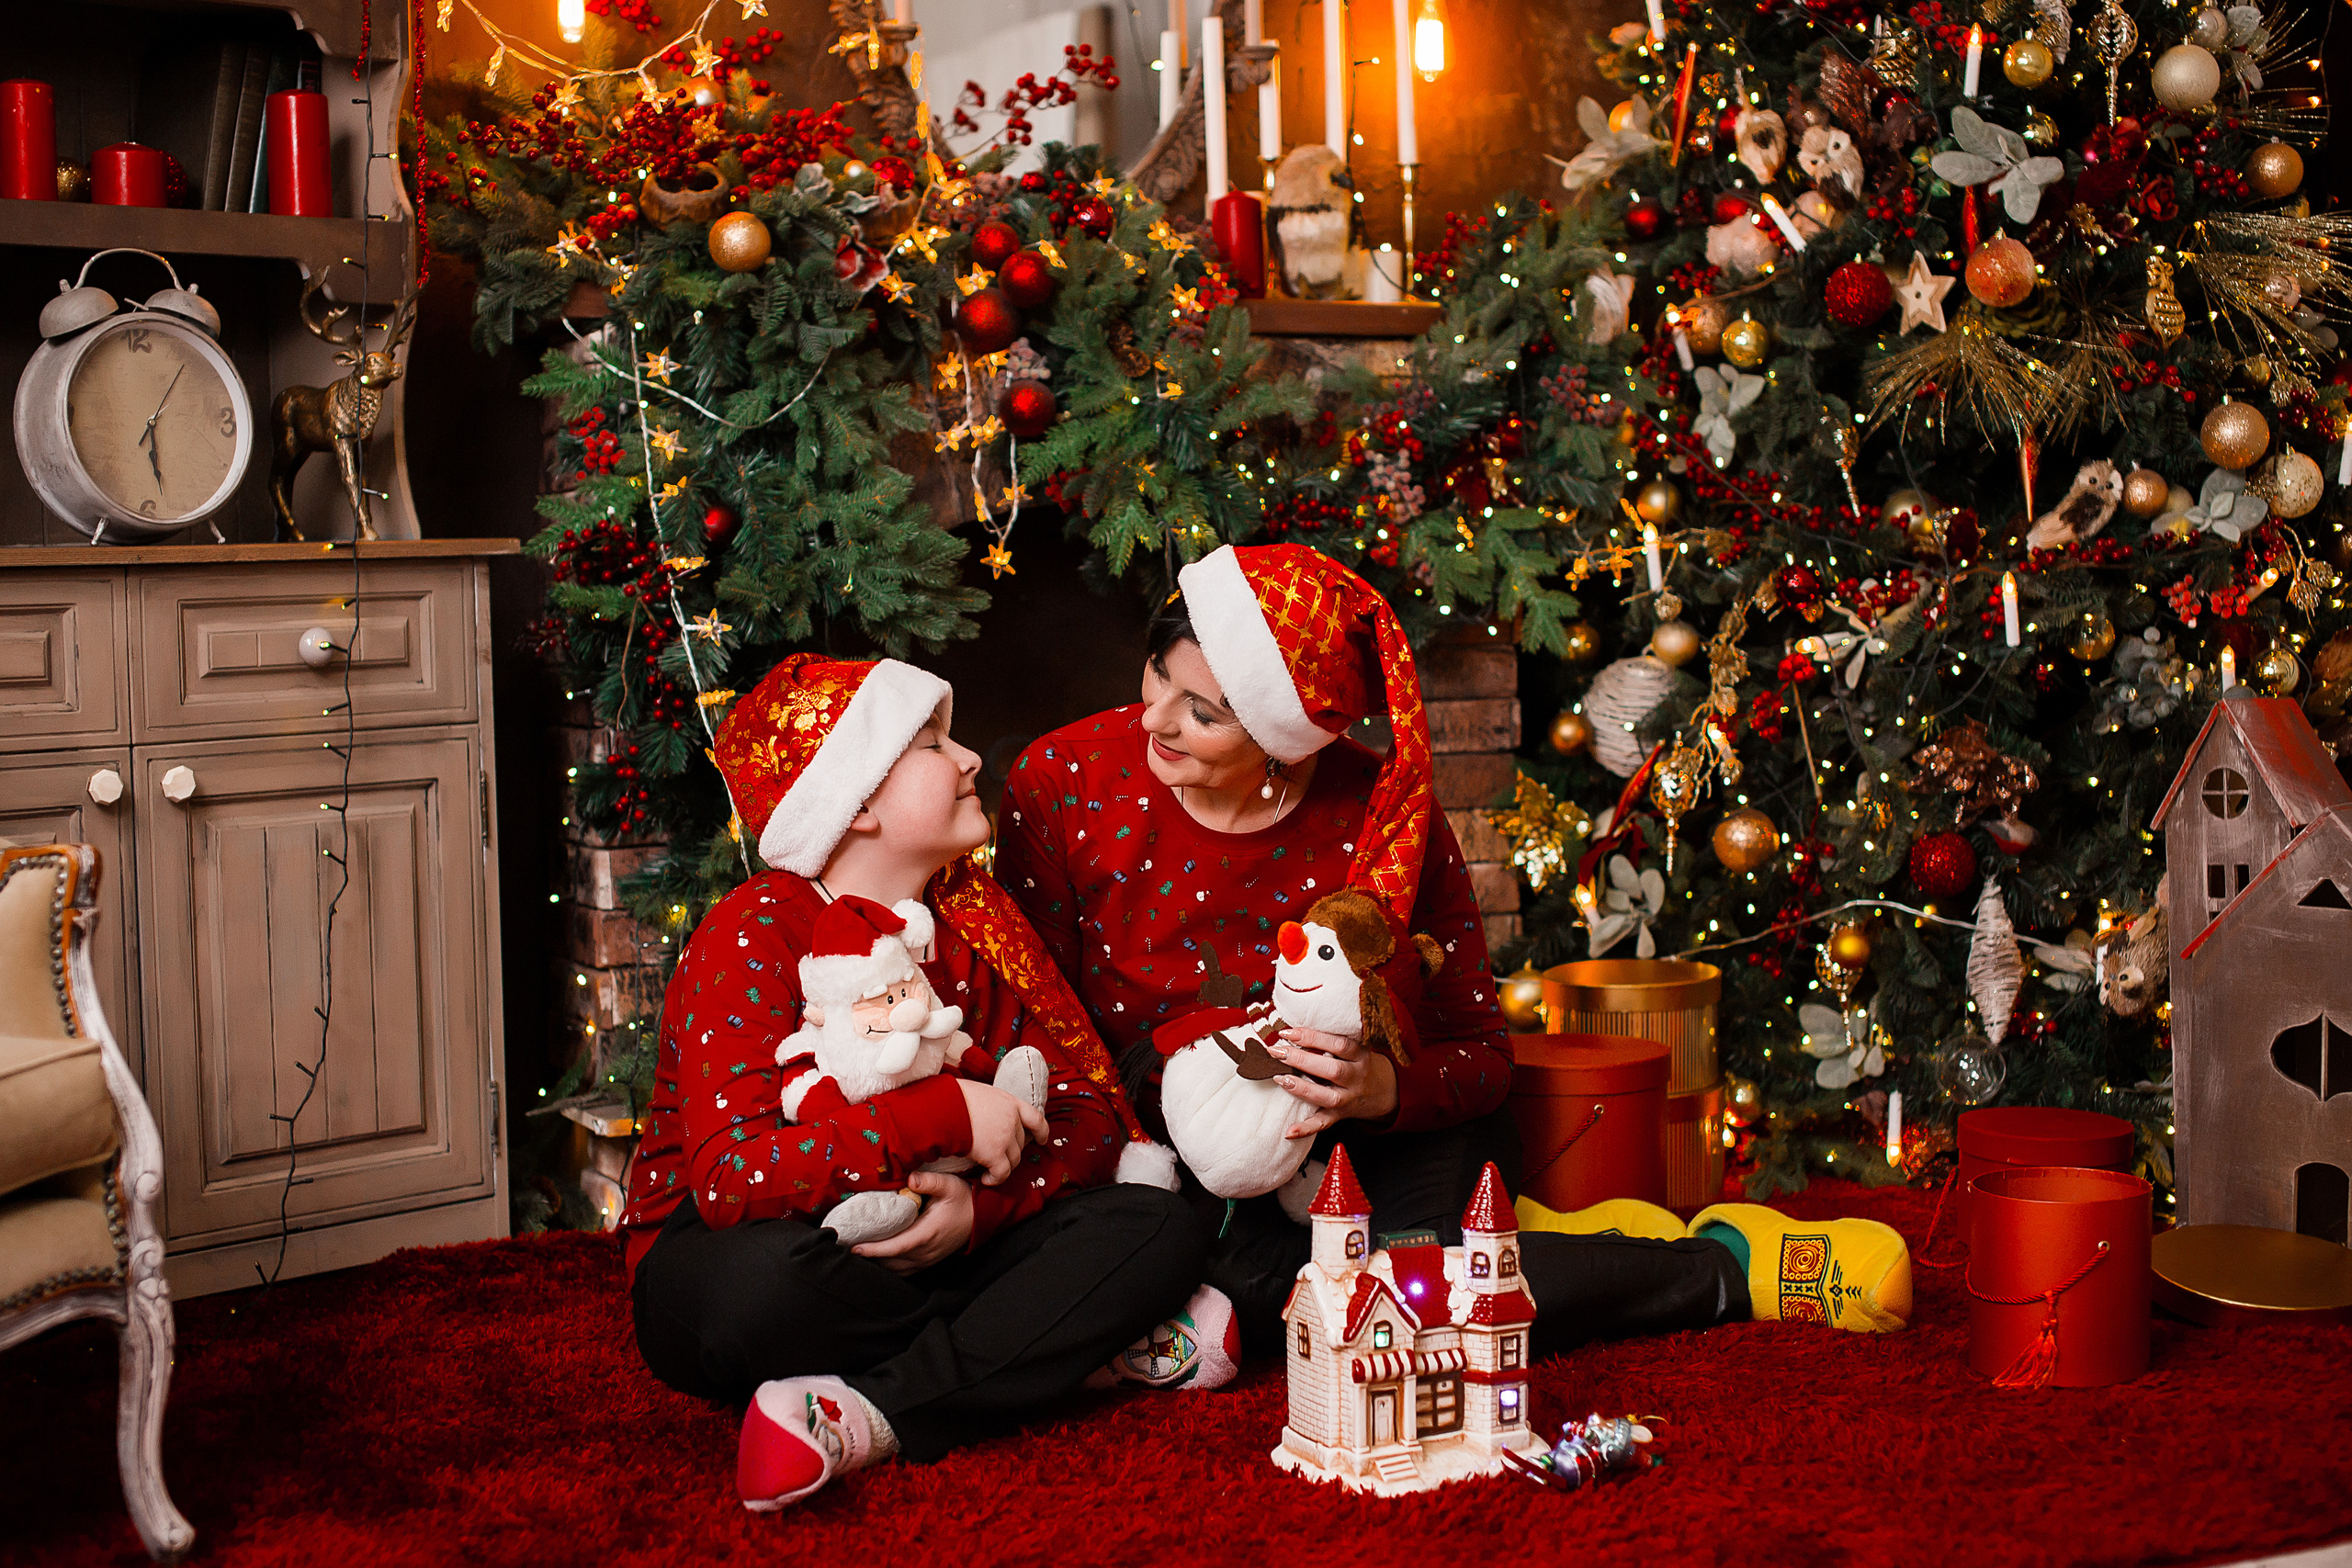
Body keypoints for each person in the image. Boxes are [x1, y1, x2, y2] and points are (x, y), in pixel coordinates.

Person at [994, 543, 1912, 1359]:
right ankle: (1552, 1240)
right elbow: (1045, 1030)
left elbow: (1480, 1052)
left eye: (1203, 712)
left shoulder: (1385, 817)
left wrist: (1379, 1090)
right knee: (1283, 1308)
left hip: (1392, 1144)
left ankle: (1718, 1266)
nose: (1153, 719)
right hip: (1188, 1162)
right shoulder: (1062, 781)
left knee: (1407, 1306)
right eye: (1158, 675)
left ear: (1285, 738)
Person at [618, 652, 1230, 1517]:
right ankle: (1053, 1347)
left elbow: (1089, 1114)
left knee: (1157, 1225)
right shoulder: (752, 928)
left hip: (949, 1246)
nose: (972, 757)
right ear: (858, 800)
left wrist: (979, 1215)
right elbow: (731, 1179)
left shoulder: (970, 926)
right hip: (775, 1244)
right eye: (934, 743)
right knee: (753, 1294)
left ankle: (873, 1410)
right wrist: (944, 1112)